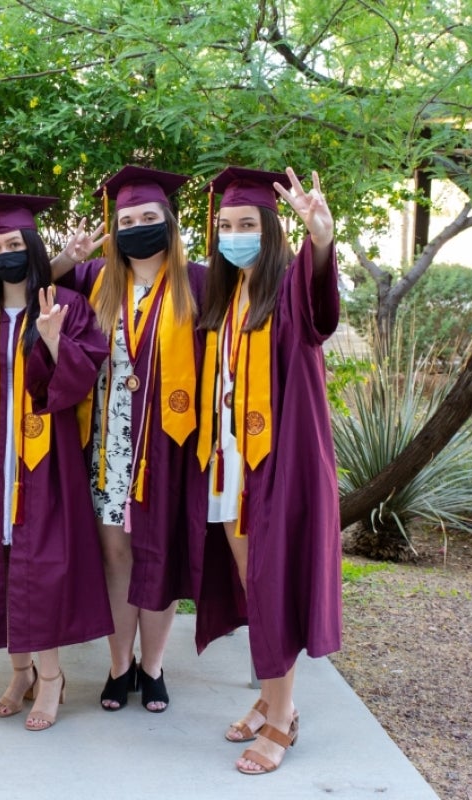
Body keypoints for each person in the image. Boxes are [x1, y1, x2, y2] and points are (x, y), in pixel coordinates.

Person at [192, 166, 342, 775]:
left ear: (271, 230)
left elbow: (319, 308)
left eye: (247, 224)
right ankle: (270, 694)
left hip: (275, 464)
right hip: (226, 461)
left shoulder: (286, 292)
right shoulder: (227, 300)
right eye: (226, 226)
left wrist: (322, 239)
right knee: (254, 581)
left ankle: (283, 716)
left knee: (272, 583)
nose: (235, 234)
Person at [0, 194, 112, 731]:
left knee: (38, 566)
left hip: (45, 461)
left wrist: (51, 341)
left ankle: (50, 677)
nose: (4, 255)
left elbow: (82, 378)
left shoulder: (67, 305)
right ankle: (18, 671)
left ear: (32, 248)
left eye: (14, 245)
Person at [52, 166, 206, 713]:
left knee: (155, 554)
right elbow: (33, 287)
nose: (138, 227)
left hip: (168, 443)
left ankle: (153, 665)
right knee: (115, 553)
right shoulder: (94, 279)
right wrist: (68, 257)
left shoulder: (200, 283)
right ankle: (120, 666)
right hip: (107, 445)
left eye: (148, 217)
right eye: (127, 220)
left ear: (169, 221)